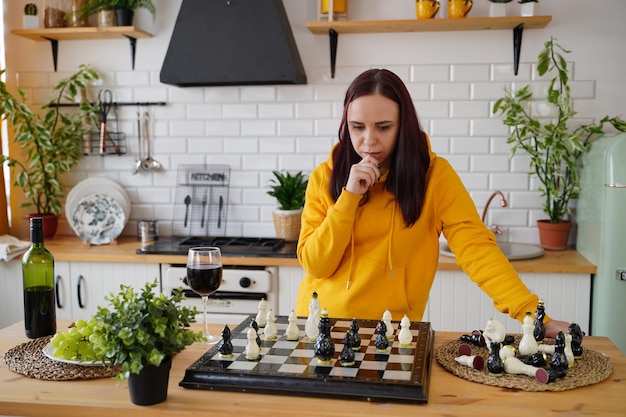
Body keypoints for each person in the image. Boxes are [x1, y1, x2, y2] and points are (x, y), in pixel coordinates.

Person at [295, 68, 569, 338]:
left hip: (393, 336)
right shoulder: (325, 176)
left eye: (384, 127)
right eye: (357, 127)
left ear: (404, 126)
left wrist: (533, 316)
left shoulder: (435, 177)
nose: (368, 140)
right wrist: (349, 197)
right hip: (319, 328)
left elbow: (477, 249)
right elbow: (316, 265)